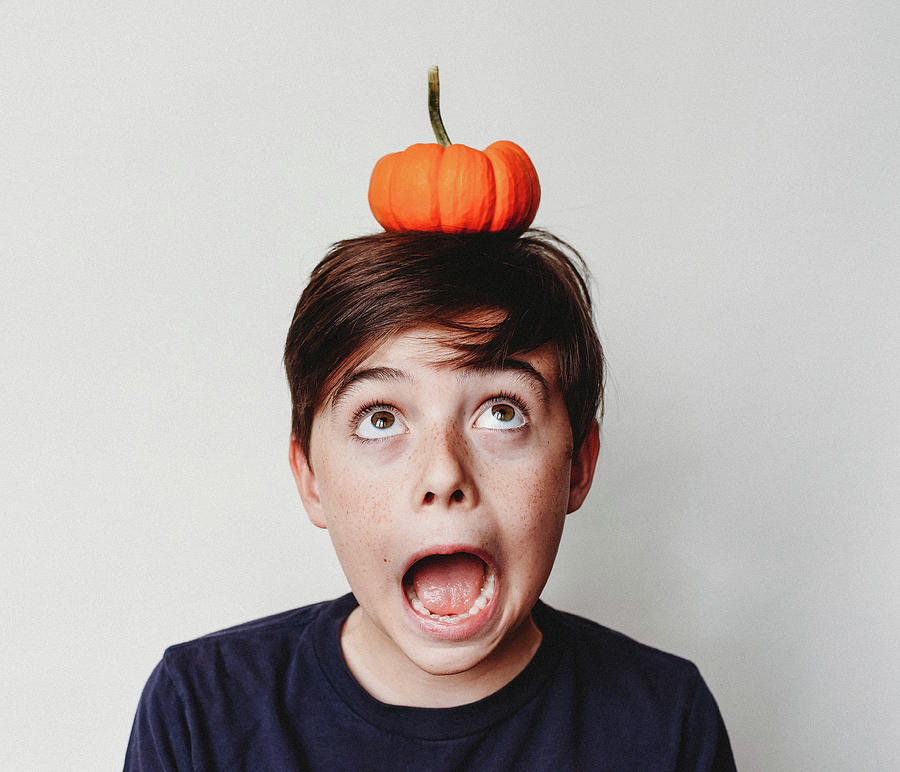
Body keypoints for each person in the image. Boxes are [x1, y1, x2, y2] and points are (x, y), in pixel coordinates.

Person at [125, 229, 736, 770]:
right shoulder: (199, 710)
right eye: (382, 419)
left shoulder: (665, 720)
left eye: (502, 412)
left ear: (577, 466)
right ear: (311, 479)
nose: (444, 474)